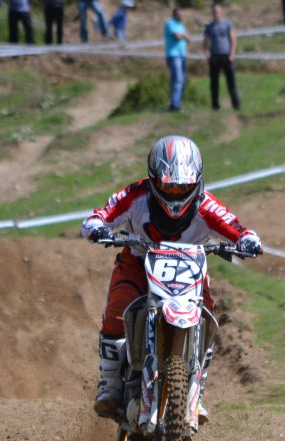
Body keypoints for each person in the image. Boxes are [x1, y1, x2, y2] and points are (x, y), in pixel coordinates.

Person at [80, 135, 262, 418]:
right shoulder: (135, 195)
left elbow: (237, 228)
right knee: (117, 312)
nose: (176, 193)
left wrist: (247, 240)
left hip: (190, 270)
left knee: (207, 318)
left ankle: (196, 391)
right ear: (154, 179)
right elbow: (99, 216)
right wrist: (97, 227)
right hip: (139, 262)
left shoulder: (207, 206)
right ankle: (110, 383)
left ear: (197, 181)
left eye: (183, 187)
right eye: (169, 186)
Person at [203, 3, 240, 111]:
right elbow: (206, 41)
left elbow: (233, 39)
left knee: (231, 81)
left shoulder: (227, 24)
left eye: (218, 12)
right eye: (214, 12)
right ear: (212, 13)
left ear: (221, 12)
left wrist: (232, 53)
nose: (216, 14)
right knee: (214, 82)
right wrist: (206, 52)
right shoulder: (209, 27)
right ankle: (215, 105)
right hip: (214, 56)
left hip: (226, 56)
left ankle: (236, 104)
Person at [164, 8, 189, 112]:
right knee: (178, 79)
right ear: (175, 15)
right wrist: (183, 35)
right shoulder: (169, 23)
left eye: (182, 14)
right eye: (179, 14)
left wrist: (183, 35)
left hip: (182, 55)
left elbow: (188, 38)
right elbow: (176, 36)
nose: (181, 16)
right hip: (173, 55)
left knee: (183, 80)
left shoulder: (181, 25)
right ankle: (175, 105)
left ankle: (176, 102)